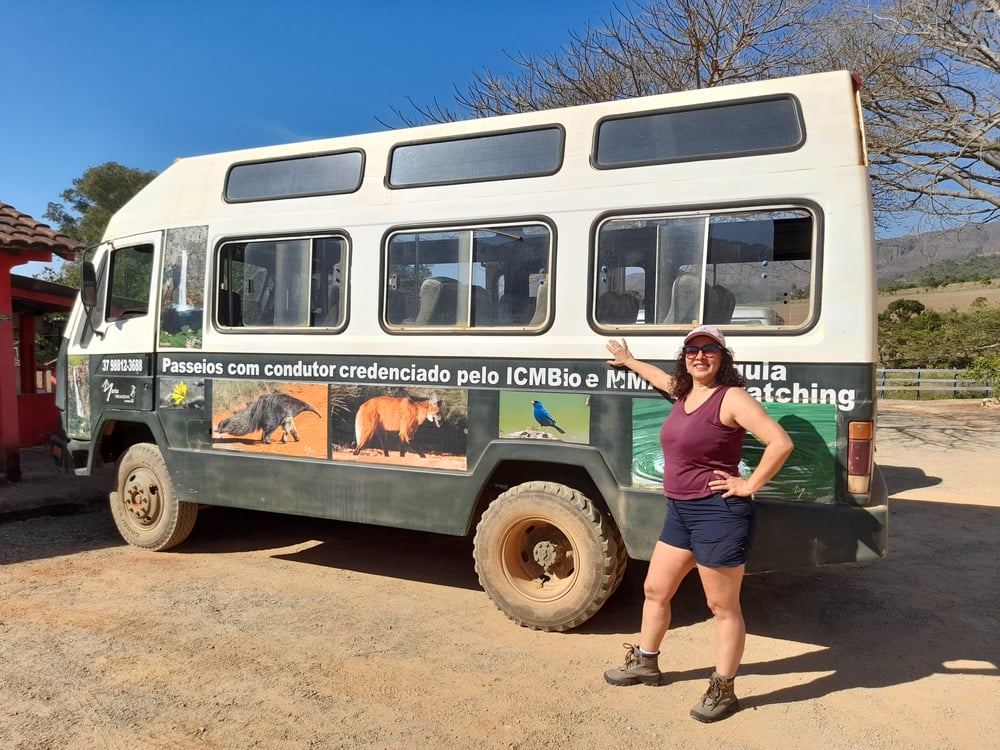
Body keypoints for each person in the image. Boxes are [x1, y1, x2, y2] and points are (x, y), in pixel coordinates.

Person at [603, 325, 794, 723]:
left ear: (723, 358)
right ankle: (645, 662)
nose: (700, 356)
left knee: (722, 607)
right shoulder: (684, 391)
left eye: (710, 350)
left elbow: (780, 442)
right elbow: (660, 378)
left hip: (718, 514)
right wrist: (628, 360)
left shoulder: (732, 398)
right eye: (693, 349)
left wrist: (749, 484)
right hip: (680, 512)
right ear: (684, 356)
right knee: (655, 589)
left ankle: (724, 688)